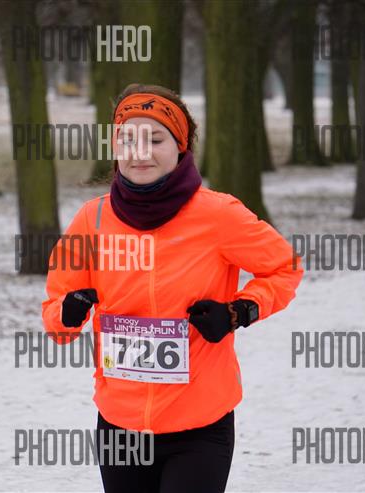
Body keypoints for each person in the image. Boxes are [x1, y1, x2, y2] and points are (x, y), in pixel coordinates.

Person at [42, 83, 303, 492]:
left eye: (155, 139)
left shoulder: (218, 215)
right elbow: (56, 317)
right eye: (128, 139)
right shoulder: (92, 220)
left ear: (180, 146)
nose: (140, 152)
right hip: (120, 425)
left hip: (199, 427)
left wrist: (239, 311)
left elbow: (284, 268)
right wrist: (67, 312)